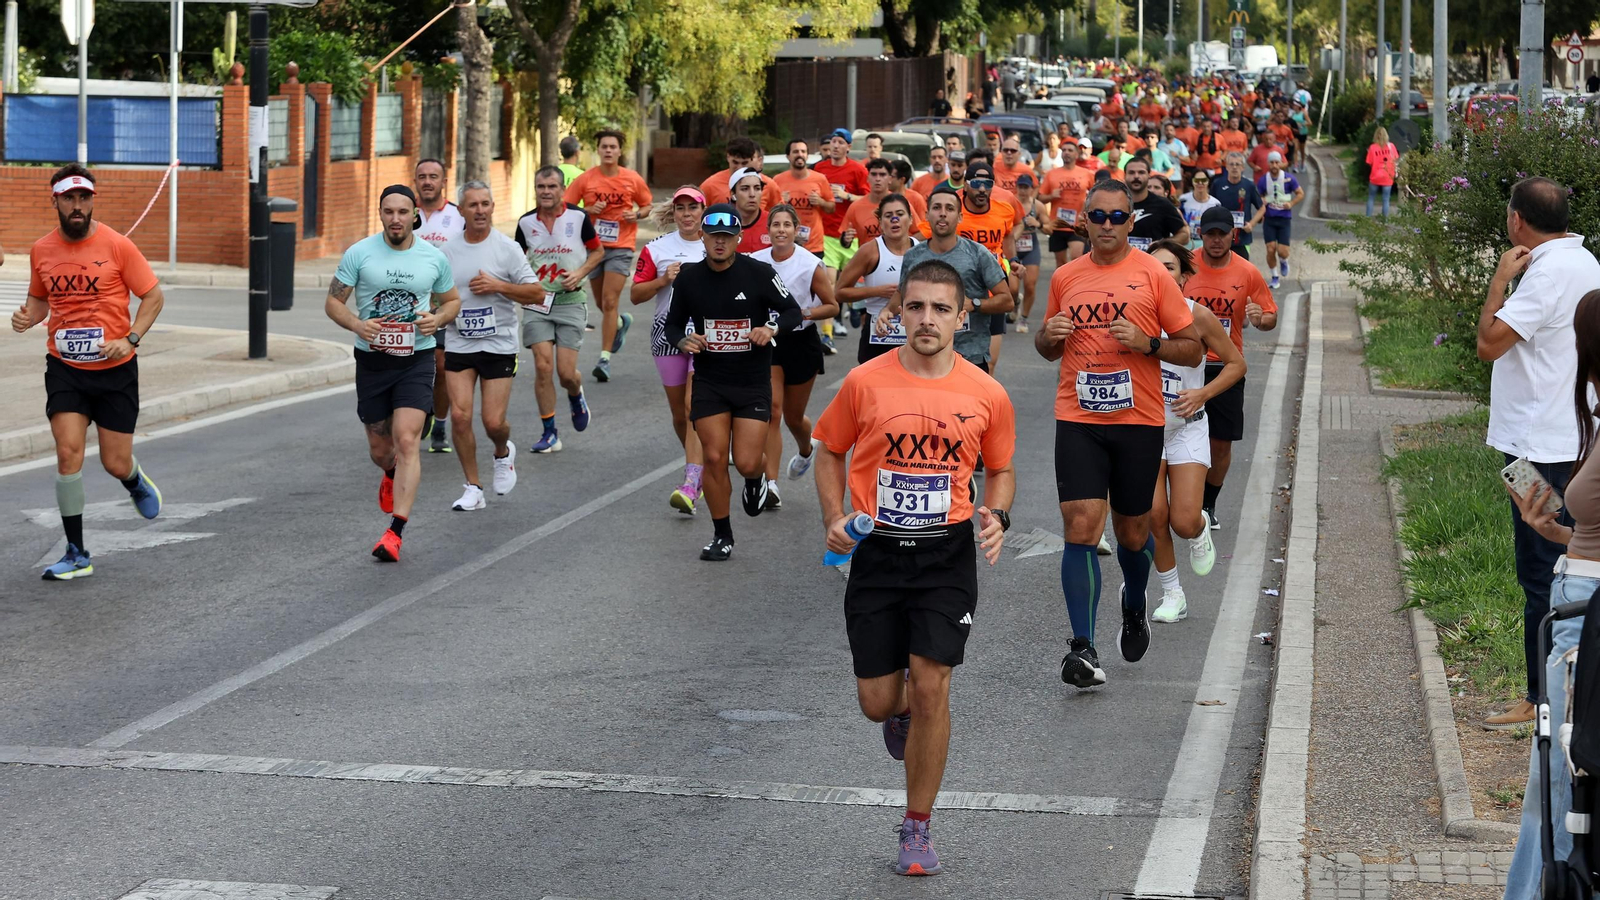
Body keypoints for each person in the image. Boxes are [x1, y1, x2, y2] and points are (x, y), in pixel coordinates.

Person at [813, 258, 1016, 878]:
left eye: (940, 309)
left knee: (933, 684)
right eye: (916, 307)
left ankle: (917, 825)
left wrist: (997, 515)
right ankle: (896, 710)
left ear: (961, 316)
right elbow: (829, 451)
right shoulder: (865, 382)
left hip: (945, 555)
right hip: (877, 552)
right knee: (878, 702)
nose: (927, 320)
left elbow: (1001, 468)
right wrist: (834, 515)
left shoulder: (986, 392)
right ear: (898, 311)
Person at [1035, 179, 1205, 688]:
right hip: (1079, 418)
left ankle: (1134, 603)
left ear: (1131, 223)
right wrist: (1050, 335)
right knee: (1081, 526)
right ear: (1083, 221)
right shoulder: (1065, 276)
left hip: (1138, 421)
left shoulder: (1154, 274)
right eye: (1097, 216)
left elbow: (1193, 349)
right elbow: (1045, 347)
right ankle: (1082, 648)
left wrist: (1150, 344)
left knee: (1133, 535)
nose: (1106, 225)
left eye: (1117, 217)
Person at [1477, 176, 1600, 729]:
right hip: (1578, 438)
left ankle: (1539, 697)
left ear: (1517, 220)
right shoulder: (1587, 263)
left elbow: (1489, 344)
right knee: (1576, 562)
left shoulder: (1541, 274)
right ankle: (1570, 686)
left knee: (1539, 571)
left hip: (1534, 447)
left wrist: (1500, 280)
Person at [14, 165, 166, 580]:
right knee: (68, 453)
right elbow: (41, 302)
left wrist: (131, 338)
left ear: (92, 200)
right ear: (56, 201)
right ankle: (77, 553)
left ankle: (133, 480)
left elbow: (153, 296)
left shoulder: (118, 246)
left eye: (84, 198)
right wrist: (27, 317)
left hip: (115, 369)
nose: (77, 206)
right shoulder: (41, 250)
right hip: (65, 368)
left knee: (114, 463)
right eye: (69, 199)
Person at [1500, 293, 1600, 900]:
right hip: (1577, 594)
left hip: (1586, 611)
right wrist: (1556, 531)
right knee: (1553, 778)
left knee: (1565, 779)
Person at [325, 185, 461, 561]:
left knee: (406, 441)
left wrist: (437, 319)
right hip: (372, 361)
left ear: (414, 213)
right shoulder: (360, 254)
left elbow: (451, 301)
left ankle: (394, 533)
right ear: (380, 213)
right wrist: (357, 324)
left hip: (415, 359)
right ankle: (389, 474)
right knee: (381, 449)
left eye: (403, 212)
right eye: (389, 212)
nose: (396, 219)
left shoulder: (433, 258)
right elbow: (333, 302)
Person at [663, 204, 802, 561]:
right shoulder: (689, 278)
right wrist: (683, 341)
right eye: (714, 237)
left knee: (745, 461)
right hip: (710, 379)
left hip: (752, 380)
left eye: (727, 237)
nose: (720, 243)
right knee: (712, 456)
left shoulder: (759, 272)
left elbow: (792, 311)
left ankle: (755, 480)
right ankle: (722, 535)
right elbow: (673, 324)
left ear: (738, 239)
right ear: (703, 238)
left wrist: (770, 328)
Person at [1144, 239, 1245, 623]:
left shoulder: (1197, 317)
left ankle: (1200, 527)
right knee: (1155, 516)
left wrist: (1203, 393)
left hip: (1186, 428)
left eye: (1169, 267)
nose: (1160, 274)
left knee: (1182, 521)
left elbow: (1237, 364)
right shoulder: (1134, 313)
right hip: (1147, 430)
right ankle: (1173, 594)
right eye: (1153, 268)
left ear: (1185, 277)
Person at [440, 180, 546, 511]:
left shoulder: (507, 249)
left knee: (493, 423)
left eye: (485, 204)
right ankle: (473, 486)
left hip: (498, 343)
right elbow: (435, 295)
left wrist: (498, 285)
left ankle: (503, 452)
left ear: (492, 208)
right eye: (473, 205)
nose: (480, 210)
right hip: (460, 341)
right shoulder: (447, 252)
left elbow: (537, 293)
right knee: (459, 416)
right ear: (461, 211)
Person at [1185, 207, 1277, 531]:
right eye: (1209, 233)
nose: (1215, 240)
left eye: (1222, 234)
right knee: (1172, 432)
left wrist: (1260, 318)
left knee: (1220, 442)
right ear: (1201, 234)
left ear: (1232, 235)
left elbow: (1269, 316)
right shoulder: (1186, 265)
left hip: (1226, 366)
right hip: (1184, 362)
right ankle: (1179, 499)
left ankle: (1208, 504)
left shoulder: (1247, 272)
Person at [752, 204, 837, 509]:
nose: (781, 230)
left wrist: (804, 313)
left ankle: (805, 448)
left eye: (787, 225)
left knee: (792, 416)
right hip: (770, 342)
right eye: (776, 224)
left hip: (802, 341)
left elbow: (832, 305)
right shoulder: (756, 262)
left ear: (797, 230)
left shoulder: (809, 263)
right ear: (768, 231)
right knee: (773, 410)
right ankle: (771, 484)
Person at [632, 186, 709, 514]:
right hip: (667, 336)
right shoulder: (656, 248)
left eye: (693, 207)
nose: (687, 213)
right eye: (681, 208)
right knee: (680, 414)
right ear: (673, 212)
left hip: (706, 337)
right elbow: (636, 295)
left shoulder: (716, 244)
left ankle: (691, 480)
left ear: (703, 211)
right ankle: (700, 466)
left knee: (694, 405)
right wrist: (663, 280)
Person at [516, 166, 604, 455]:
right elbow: (515, 260)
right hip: (538, 302)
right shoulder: (526, 223)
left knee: (566, 374)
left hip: (571, 301)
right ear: (535, 190)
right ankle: (549, 432)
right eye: (541, 187)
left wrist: (579, 273)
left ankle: (576, 394)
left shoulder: (579, 218)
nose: (546, 192)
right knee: (543, 366)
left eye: (551, 186)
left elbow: (598, 252)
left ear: (562, 189)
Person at [876, 188, 1012, 373]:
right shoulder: (913, 255)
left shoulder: (977, 254)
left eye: (949, 208)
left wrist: (975, 304)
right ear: (927, 215)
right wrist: (886, 311)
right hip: (923, 358)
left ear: (960, 217)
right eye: (937, 208)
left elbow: (1007, 300)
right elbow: (902, 294)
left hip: (969, 357)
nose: (942, 213)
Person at [563, 129, 652, 383]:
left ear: (619, 151)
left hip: (622, 246)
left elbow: (646, 205)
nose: (609, 150)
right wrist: (589, 209)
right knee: (603, 304)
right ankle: (621, 324)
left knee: (610, 301)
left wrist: (636, 215)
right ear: (598, 150)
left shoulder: (631, 178)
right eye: (604, 146)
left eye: (613, 146)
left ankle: (604, 358)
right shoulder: (586, 179)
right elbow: (567, 206)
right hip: (593, 248)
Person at [414, 158, 465, 454]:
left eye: (433, 176)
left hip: (445, 302)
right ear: (415, 181)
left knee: (442, 364)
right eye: (422, 176)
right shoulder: (407, 213)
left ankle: (440, 424)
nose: (428, 181)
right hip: (410, 303)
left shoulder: (458, 216)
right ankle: (421, 411)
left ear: (444, 181)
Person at [837, 193, 918, 364]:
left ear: (910, 219)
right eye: (888, 216)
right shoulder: (870, 251)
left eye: (900, 214)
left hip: (914, 330)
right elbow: (840, 292)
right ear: (880, 223)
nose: (894, 219)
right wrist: (876, 291)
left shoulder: (922, 250)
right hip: (878, 333)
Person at [814, 128, 871, 275]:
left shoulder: (858, 170)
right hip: (826, 232)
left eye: (841, 142)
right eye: (833, 142)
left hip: (850, 234)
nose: (836, 146)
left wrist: (847, 196)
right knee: (829, 280)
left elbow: (869, 200)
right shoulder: (819, 168)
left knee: (848, 282)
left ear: (848, 147)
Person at [771, 139, 834, 258]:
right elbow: (769, 212)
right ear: (788, 156)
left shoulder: (820, 179)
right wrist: (780, 202)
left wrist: (821, 202)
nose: (800, 155)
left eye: (803, 151)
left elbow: (831, 208)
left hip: (813, 245)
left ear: (807, 155)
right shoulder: (777, 180)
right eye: (795, 151)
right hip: (785, 244)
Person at [1041, 137, 1093, 267]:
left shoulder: (1086, 174)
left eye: (1070, 150)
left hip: (1077, 224)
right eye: (1064, 150)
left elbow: (1095, 195)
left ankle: (1076, 285)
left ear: (1076, 154)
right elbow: (1040, 198)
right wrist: (1051, 196)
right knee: (1061, 263)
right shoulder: (1051, 174)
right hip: (1057, 224)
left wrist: (1087, 206)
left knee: (1076, 258)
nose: (1066, 153)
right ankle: (1063, 286)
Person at [1011, 173, 1052, 334]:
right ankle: (1015, 303)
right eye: (1020, 187)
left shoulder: (1038, 206)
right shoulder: (1010, 203)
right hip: (1013, 248)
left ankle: (1024, 318)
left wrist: (1039, 223)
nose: (1023, 191)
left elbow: (1050, 228)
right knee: (1012, 288)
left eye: (1026, 187)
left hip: (1031, 248)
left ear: (1032, 189)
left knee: (1030, 285)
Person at [1256, 151, 1303, 289]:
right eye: (1272, 162)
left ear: (1281, 163)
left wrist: (1291, 204)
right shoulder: (1263, 180)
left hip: (1284, 219)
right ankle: (1275, 276)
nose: (1274, 165)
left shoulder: (1289, 178)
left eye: (1277, 162)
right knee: (1270, 249)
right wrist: (1262, 201)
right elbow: (1257, 196)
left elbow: (1300, 193)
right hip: (1269, 219)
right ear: (1268, 164)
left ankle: (1283, 260)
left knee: (1282, 251)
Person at [1123, 157, 1187, 253]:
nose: (1136, 176)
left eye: (1141, 172)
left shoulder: (1163, 205)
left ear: (1149, 175)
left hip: (1153, 263)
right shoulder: (1115, 203)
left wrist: (1162, 244)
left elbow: (1184, 235)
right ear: (1125, 176)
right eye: (1131, 172)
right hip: (1122, 263)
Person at [699, 136, 783, 209]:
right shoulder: (710, 185)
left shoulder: (768, 185)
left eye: (744, 163)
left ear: (753, 160)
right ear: (728, 157)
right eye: (735, 162)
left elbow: (780, 215)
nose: (739, 168)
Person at [1211, 152, 1265, 260]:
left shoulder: (1248, 185)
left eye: (1237, 164)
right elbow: (1209, 206)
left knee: (1241, 272)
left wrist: (1251, 224)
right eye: (1231, 164)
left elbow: (1262, 208)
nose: (1234, 167)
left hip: (1242, 238)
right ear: (1226, 166)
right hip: (1221, 236)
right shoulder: (1217, 184)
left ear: (1243, 167)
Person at [729, 167, 774, 254]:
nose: (752, 194)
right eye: (745, 189)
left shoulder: (773, 222)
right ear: (733, 194)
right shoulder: (724, 222)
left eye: (757, 188)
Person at [1179, 169, 1221, 248]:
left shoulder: (1216, 204)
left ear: (1208, 181)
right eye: (1197, 180)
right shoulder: (1183, 200)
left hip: (1206, 244)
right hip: (1186, 243)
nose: (1200, 183)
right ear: (1192, 181)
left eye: (1203, 180)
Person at [1365, 126, 1399, 218]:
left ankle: (1367, 218)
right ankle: (1385, 220)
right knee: (1386, 199)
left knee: (1371, 198)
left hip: (1375, 176)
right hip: (1388, 176)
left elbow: (1369, 162)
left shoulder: (1372, 148)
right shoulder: (1391, 146)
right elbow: (1395, 159)